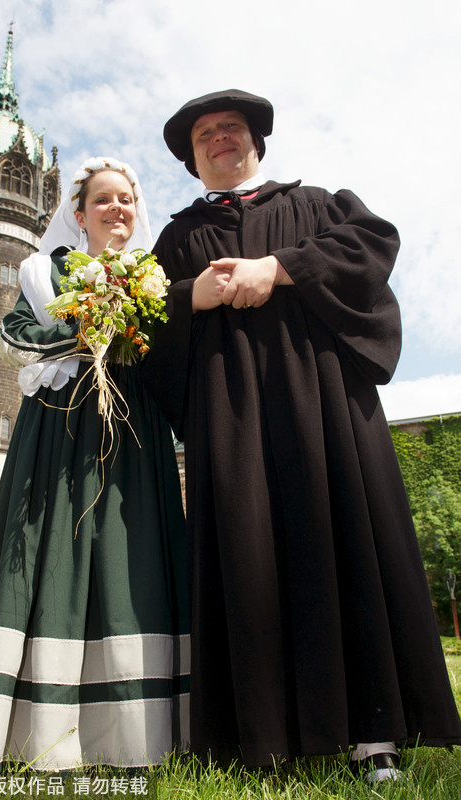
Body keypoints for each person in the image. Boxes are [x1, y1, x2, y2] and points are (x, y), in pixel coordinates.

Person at [142, 89, 461, 780]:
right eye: (205, 135)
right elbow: (144, 329)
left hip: (325, 410)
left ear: (257, 140)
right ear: (192, 158)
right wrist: (188, 295)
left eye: (232, 128)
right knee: (246, 559)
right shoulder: (175, 241)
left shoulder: (317, 204)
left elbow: (372, 246)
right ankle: (263, 741)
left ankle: (373, 736)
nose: (220, 139)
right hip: (229, 422)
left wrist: (278, 269)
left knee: (345, 544)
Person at [0, 157, 189, 770]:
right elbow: (12, 336)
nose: (116, 209)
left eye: (125, 199)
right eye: (102, 200)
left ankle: (138, 733)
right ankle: (34, 728)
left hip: (135, 434)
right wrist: (88, 325)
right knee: (55, 556)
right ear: (78, 215)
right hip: (61, 430)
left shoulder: (154, 276)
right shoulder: (44, 271)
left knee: (131, 561)